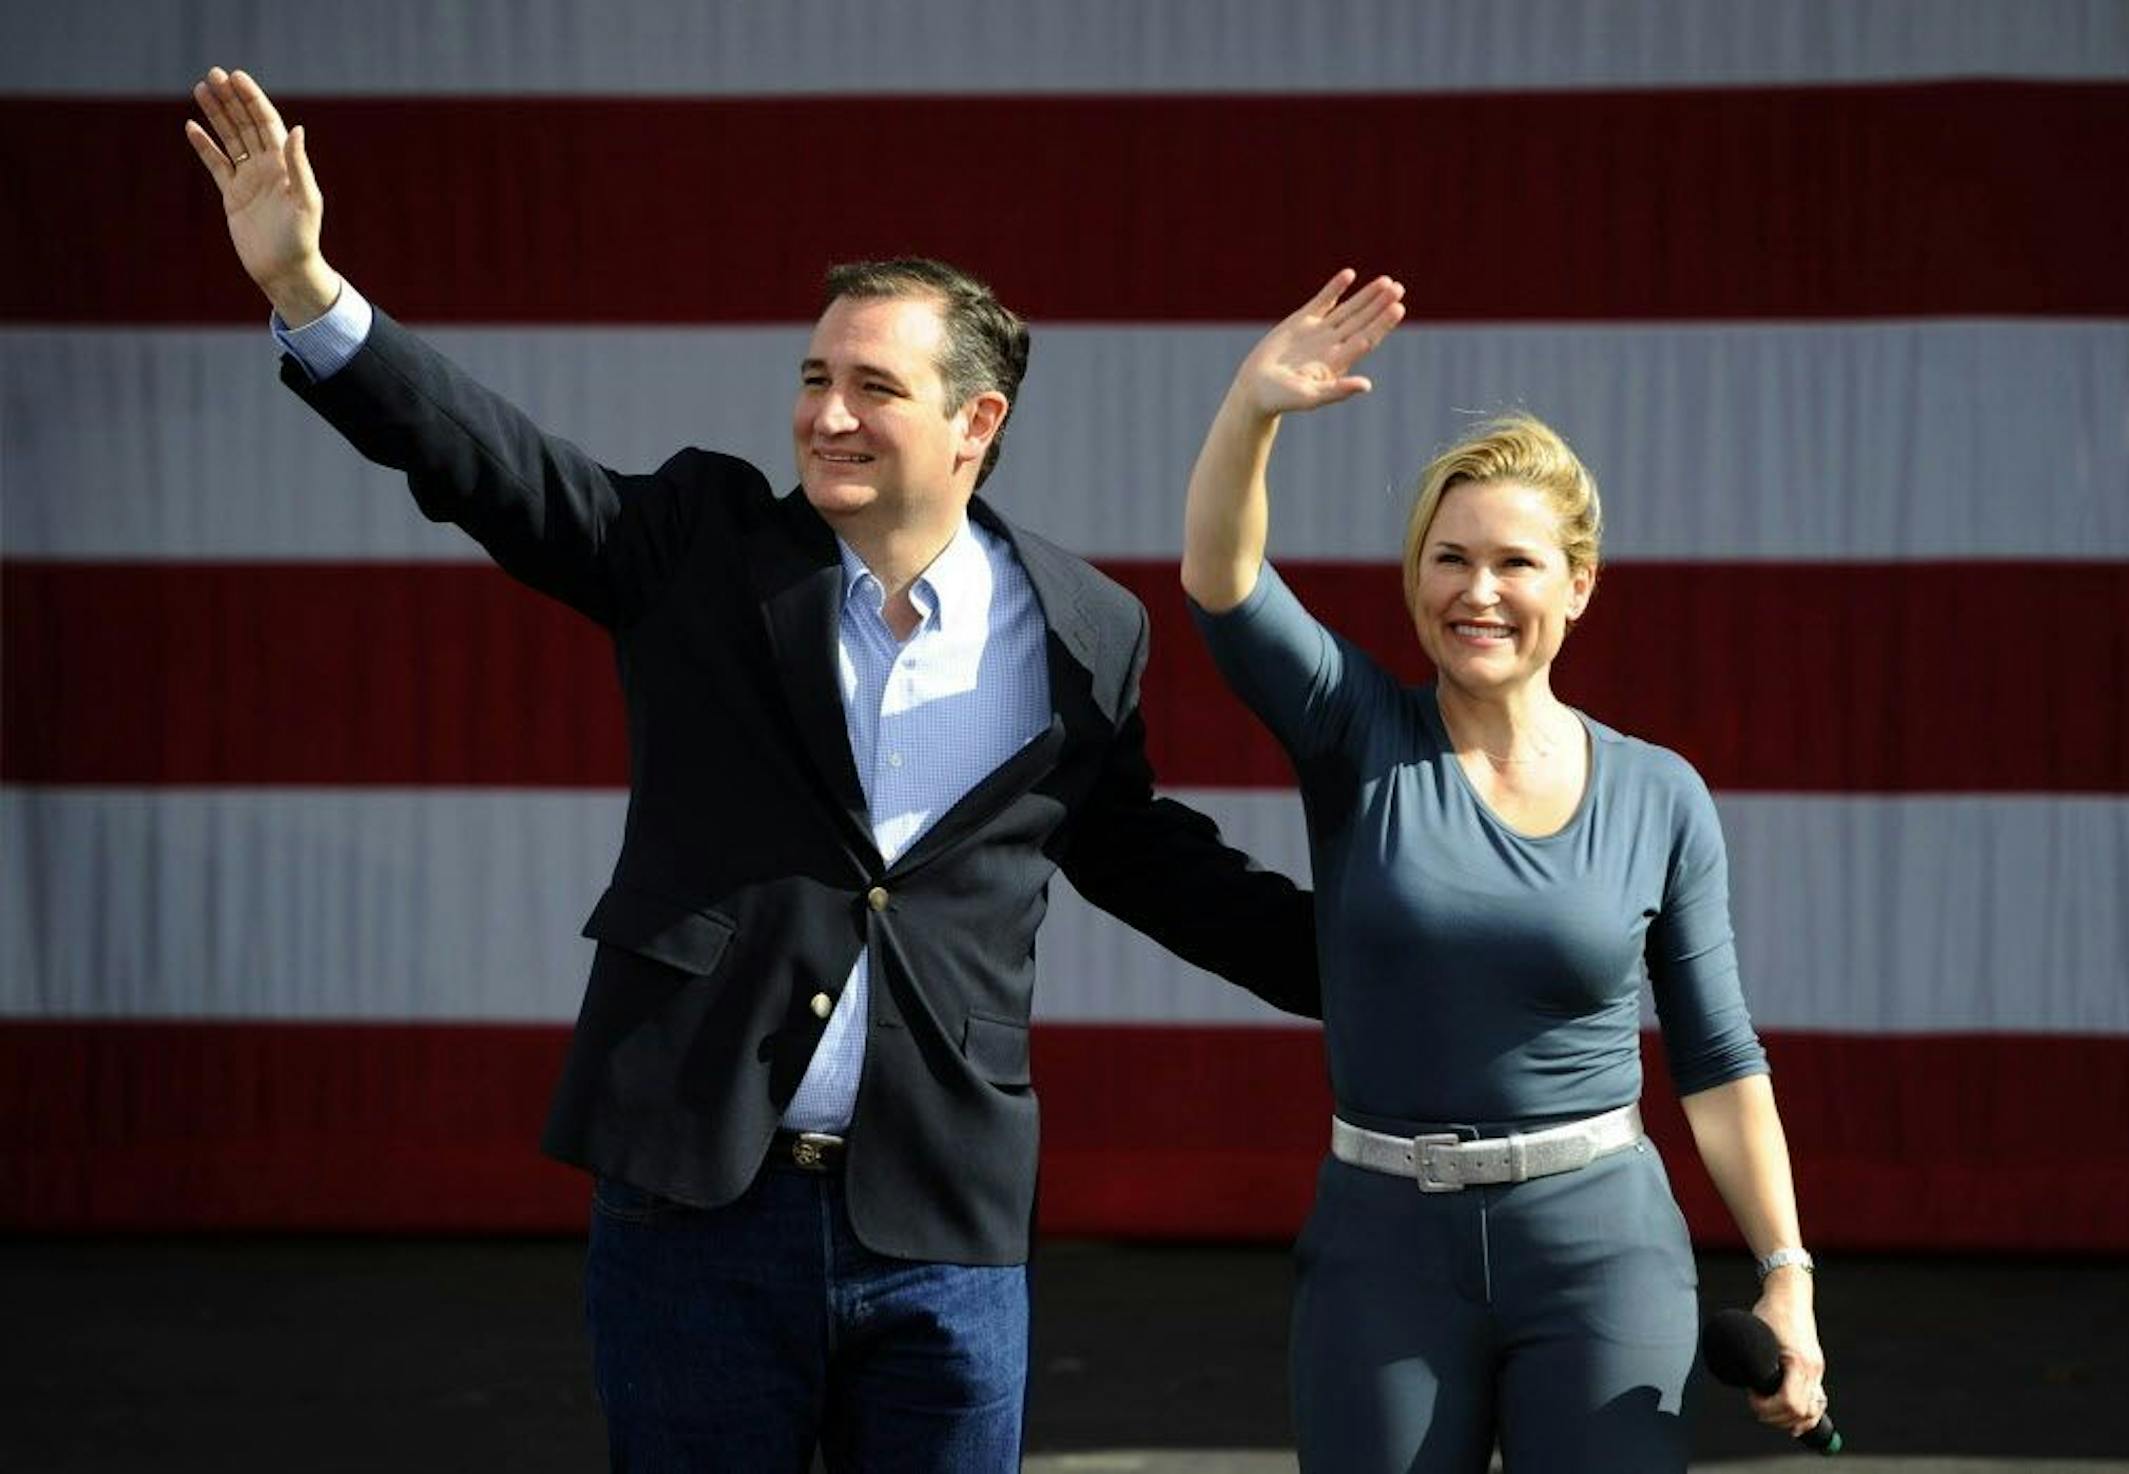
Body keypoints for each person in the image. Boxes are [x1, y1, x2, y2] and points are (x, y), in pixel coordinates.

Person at [184, 67, 1322, 1472]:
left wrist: (1375, 965)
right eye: (813, 377)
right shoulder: (701, 549)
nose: (828, 414)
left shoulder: (1086, 626)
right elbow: (497, 470)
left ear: (976, 423)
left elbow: (1143, 854)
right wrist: (307, 288)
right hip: (695, 1206)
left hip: (942, 1225)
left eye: (873, 387)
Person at [1180, 271, 1829, 1472]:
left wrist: (1786, 1278)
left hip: (1602, 1252)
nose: (1479, 592)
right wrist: (1251, 408)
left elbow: (1719, 1057)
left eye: (1517, 564)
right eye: (1449, 558)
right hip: (1381, 1250)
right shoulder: (1352, 729)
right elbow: (1224, 582)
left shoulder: (1661, 792)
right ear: (1414, 577)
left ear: (1578, 586)